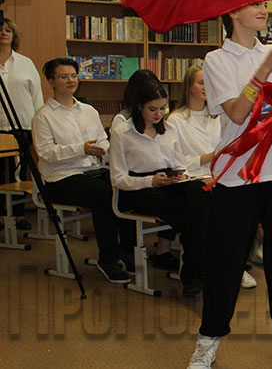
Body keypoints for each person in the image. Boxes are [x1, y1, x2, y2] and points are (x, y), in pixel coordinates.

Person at [186, 1, 272, 369]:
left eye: (265, 3)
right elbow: (237, 112)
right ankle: (207, 341)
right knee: (225, 261)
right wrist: (264, 69)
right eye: (253, 4)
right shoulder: (216, 60)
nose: (263, 9)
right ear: (231, 13)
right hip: (239, 175)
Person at [32, 58, 129, 282]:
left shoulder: (88, 111)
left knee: (123, 183)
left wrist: (102, 149)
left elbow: (103, 140)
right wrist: (81, 149)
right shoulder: (43, 116)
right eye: (63, 77)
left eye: (74, 76)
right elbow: (46, 152)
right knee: (103, 194)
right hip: (60, 177)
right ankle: (108, 259)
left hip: (91, 170)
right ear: (51, 82)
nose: (70, 81)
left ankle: (127, 250)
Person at [109, 80, 208, 296]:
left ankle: (194, 273)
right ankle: (194, 274)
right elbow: (117, 179)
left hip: (166, 181)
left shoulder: (169, 129)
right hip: (137, 189)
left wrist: (180, 176)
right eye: (152, 109)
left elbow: (179, 164)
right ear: (138, 107)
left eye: (163, 108)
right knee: (194, 213)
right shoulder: (122, 132)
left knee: (199, 191)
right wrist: (150, 181)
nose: (158, 114)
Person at [167, 65, 257, 290]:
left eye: (208, 83)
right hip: (191, 179)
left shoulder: (219, 117)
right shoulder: (175, 120)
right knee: (206, 207)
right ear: (189, 86)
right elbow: (174, 162)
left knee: (247, 198)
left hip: (219, 176)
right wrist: (209, 157)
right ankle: (203, 269)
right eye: (200, 82)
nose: (206, 88)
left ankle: (234, 265)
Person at [0, 18, 44, 229]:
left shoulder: (25, 63)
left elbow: (36, 97)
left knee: (20, 172)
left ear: (13, 35)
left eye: (8, 30)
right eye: (0, 29)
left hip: (22, 125)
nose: (4, 33)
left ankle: (18, 215)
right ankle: (1, 217)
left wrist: (39, 127)